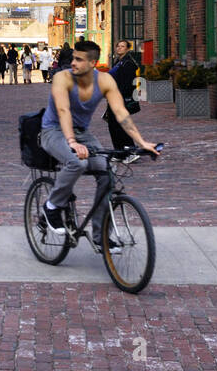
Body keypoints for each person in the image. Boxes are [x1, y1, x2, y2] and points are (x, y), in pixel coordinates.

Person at [39, 40, 161, 244]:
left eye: (79, 59)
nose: (73, 63)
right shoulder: (62, 78)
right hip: (53, 130)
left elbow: (121, 112)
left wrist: (141, 142)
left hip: (82, 133)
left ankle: (100, 236)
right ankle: (52, 206)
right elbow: (63, 110)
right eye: (73, 58)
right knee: (76, 162)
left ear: (93, 63)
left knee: (107, 173)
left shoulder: (104, 81)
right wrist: (72, 142)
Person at [103, 39, 140, 149]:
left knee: (120, 125)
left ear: (127, 49)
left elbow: (128, 83)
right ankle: (119, 150)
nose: (119, 48)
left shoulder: (128, 63)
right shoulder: (118, 62)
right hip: (114, 97)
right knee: (113, 125)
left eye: (122, 46)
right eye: (118, 46)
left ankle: (129, 149)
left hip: (121, 98)